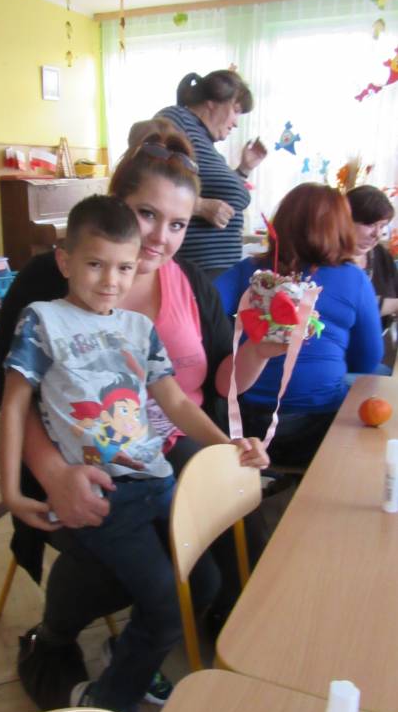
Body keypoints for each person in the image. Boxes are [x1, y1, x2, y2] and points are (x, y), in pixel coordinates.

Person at [0, 121, 274, 711]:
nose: (159, 239)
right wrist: (33, 482)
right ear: (115, 208)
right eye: (147, 214)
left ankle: (163, 650)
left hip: (156, 461)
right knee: (142, 577)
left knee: (221, 550)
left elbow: (182, 399)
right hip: (80, 468)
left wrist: (230, 444)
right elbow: (12, 397)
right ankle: (83, 678)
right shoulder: (49, 294)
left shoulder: (159, 307)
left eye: (178, 223)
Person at [214, 183, 384, 468]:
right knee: (378, 383)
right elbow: (367, 360)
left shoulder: (249, 271)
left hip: (246, 426)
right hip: (319, 426)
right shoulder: (354, 279)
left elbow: (203, 309)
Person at [156, 69, 267, 277]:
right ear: (212, 102)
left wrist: (244, 169)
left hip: (218, 271)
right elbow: (150, 180)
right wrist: (199, 206)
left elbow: (222, 193)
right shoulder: (176, 119)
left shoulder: (205, 143)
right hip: (194, 270)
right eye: (235, 110)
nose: (236, 122)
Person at [347, 185, 397, 372]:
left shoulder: (381, 255)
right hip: (345, 361)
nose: (377, 234)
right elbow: (351, 309)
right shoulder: (328, 262)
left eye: (382, 226)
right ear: (344, 221)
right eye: (369, 224)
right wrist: (392, 305)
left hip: (379, 356)